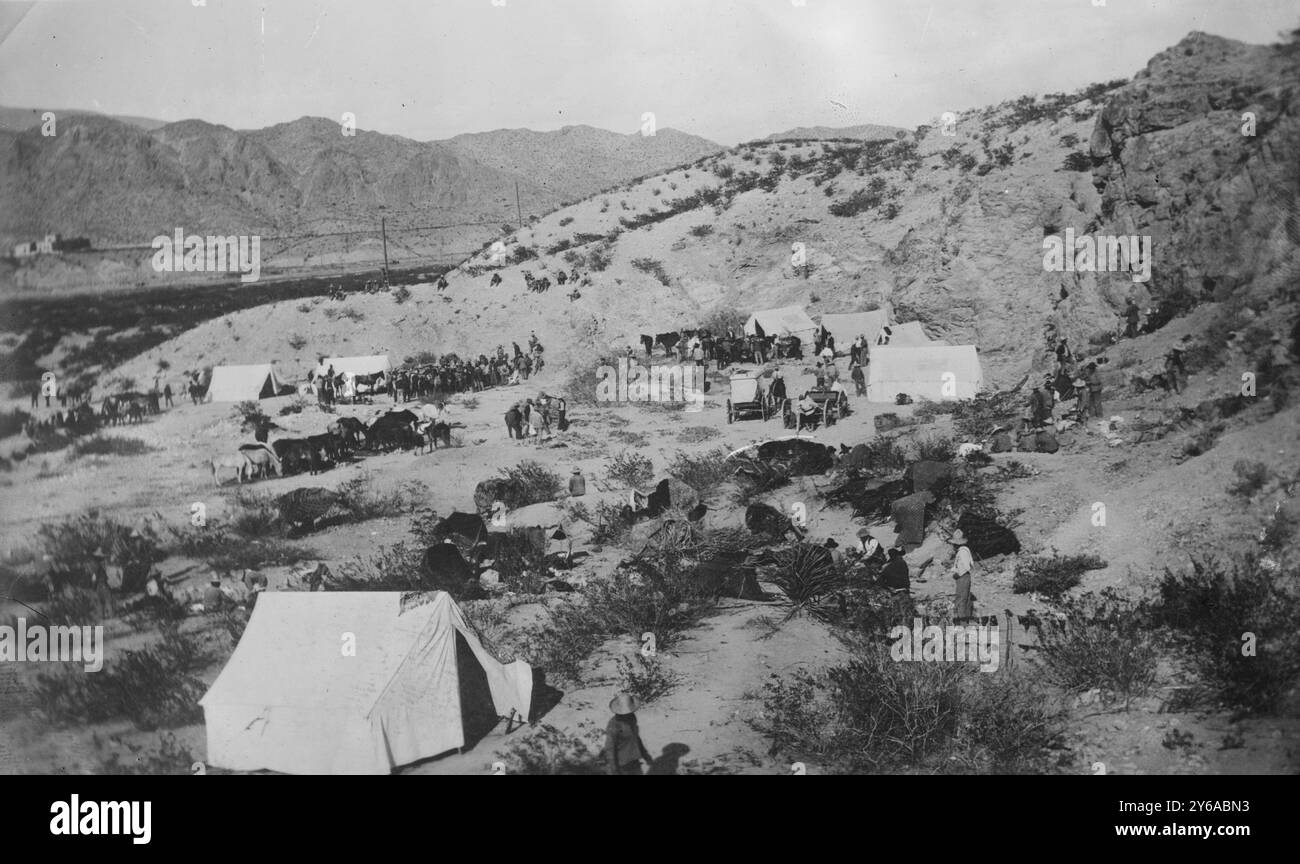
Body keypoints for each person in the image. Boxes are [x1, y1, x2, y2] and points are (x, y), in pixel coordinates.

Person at [604, 692, 654, 775]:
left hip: (634, 760)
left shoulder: (632, 718)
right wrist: (614, 770)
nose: (628, 714)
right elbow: (610, 748)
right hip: (622, 764)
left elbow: (636, 738)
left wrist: (646, 756)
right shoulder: (614, 725)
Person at [949, 530, 975, 620]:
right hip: (964, 577)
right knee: (962, 599)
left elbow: (966, 567)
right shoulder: (963, 551)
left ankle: (962, 623)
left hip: (963, 577)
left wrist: (957, 573)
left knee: (961, 601)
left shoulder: (963, 552)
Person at [89, 547, 114, 618]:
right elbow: (103, 578)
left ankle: (103, 617)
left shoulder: (95, 567)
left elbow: (94, 578)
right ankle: (111, 617)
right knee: (107, 601)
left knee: (101, 603)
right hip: (103, 585)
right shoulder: (100, 567)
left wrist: (93, 588)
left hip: (98, 586)